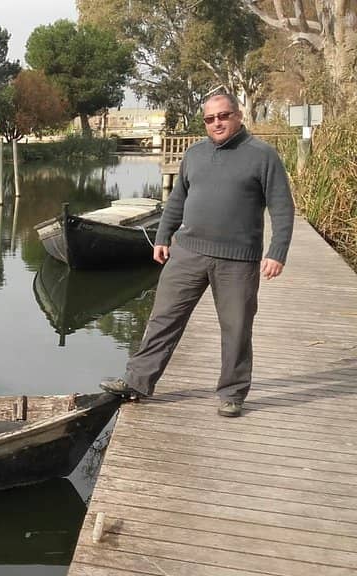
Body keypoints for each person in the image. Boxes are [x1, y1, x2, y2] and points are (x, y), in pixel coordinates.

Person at [100, 92, 295, 417]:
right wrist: (163, 235)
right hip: (188, 252)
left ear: (238, 115)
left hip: (238, 259)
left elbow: (282, 208)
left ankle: (232, 393)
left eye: (223, 115)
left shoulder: (262, 156)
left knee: (237, 327)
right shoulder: (194, 154)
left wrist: (277, 252)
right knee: (163, 319)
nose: (217, 122)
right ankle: (137, 382)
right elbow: (178, 199)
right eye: (209, 119)